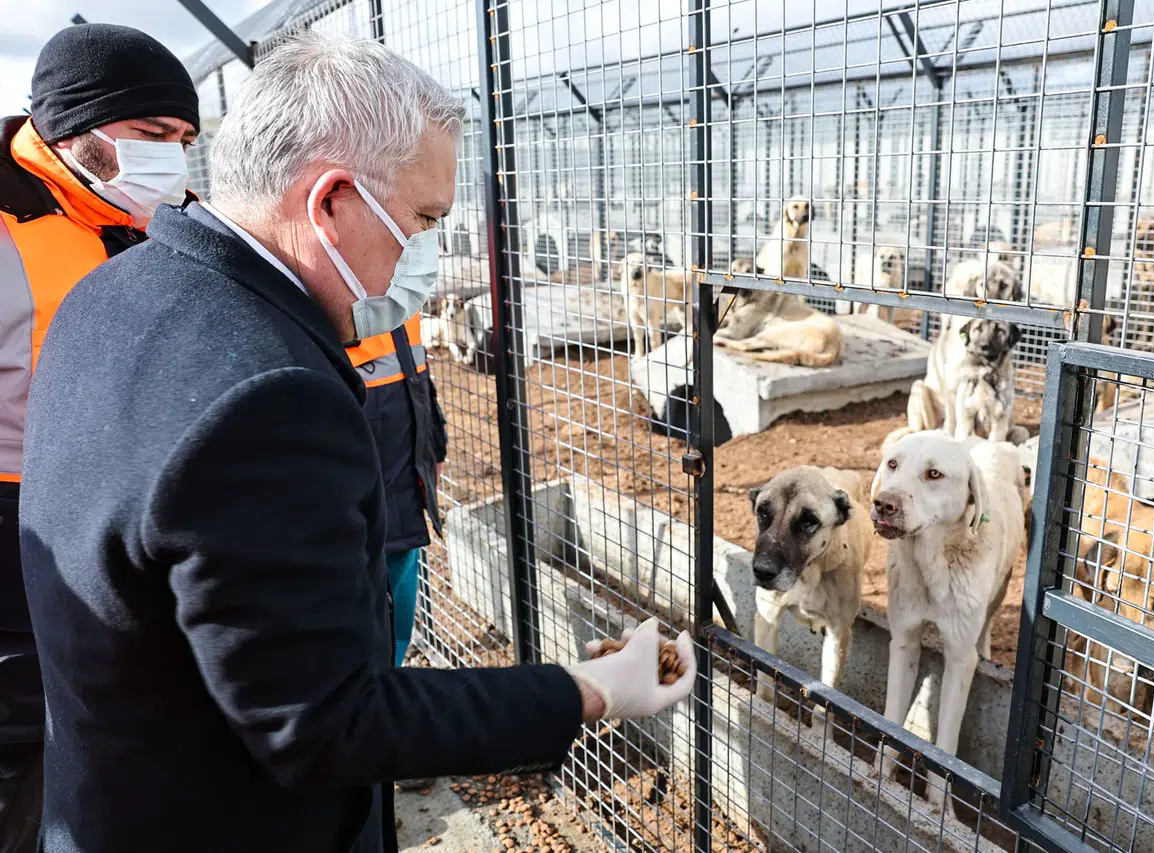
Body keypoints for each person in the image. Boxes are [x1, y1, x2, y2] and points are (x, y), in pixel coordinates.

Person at [18, 30, 695, 853]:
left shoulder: (113, 290)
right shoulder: (267, 400)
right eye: (423, 218)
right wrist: (586, 689)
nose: (426, 254)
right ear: (331, 201)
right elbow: (327, 722)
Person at [0, 23, 199, 852]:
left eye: (185, 140)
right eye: (153, 137)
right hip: (17, 539)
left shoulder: (153, 219)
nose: (174, 161)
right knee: (21, 750)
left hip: (132, 526)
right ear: (77, 129)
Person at [346, 317, 445, 667]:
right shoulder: (326, 296)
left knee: (396, 625)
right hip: (357, 508)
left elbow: (418, 379)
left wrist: (436, 447)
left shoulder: (400, 297)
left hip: (404, 493)